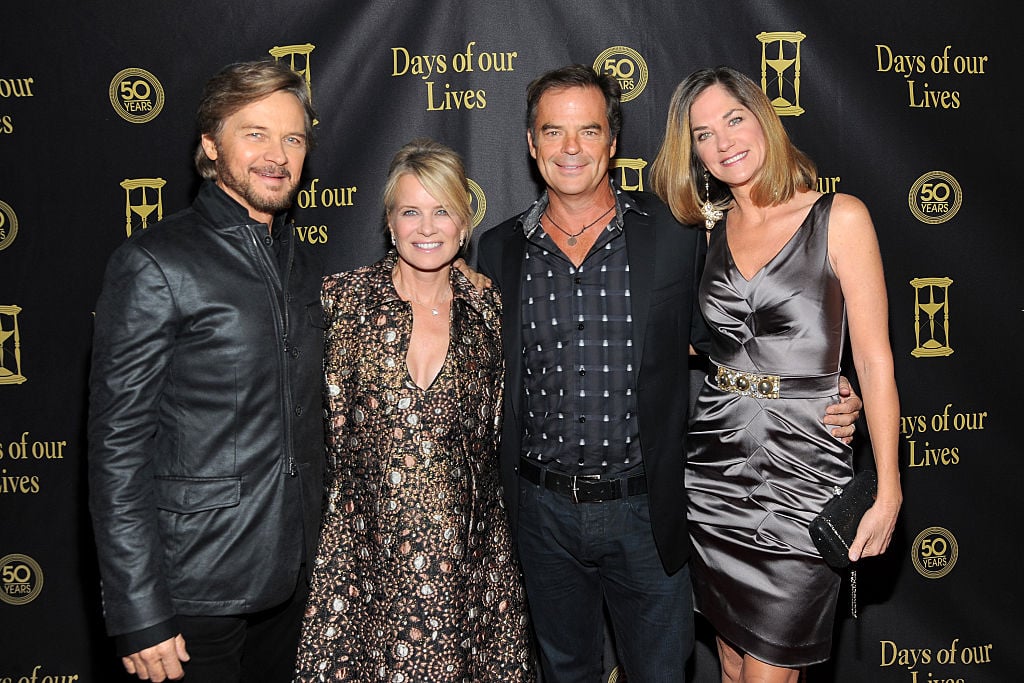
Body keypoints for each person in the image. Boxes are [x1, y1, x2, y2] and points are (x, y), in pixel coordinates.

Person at [476, 64, 863, 683]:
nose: (570, 148)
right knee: (561, 670)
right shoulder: (493, 252)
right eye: (553, 132)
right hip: (540, 513)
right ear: (530, 143)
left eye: (588, 130)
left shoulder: (676, 236)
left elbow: (745, 337)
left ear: (612, 141)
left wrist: (830, 389)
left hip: (650, 511)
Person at [650, 65, 902, 682]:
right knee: (734, 665)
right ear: (693, 152)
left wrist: (889, 485)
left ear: (763, 119)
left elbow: (873, 358)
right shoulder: (702, 233)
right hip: (712, 471)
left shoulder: (839, 216)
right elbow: (676, 340)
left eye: (733, 120)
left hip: (804, 467)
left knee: (770, 672)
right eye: (703, 134)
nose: (723, 141)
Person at [88, 60, 325, 682]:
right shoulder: (154, 263)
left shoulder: (299, 260)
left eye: (293, 138)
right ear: (210, 144)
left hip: (293, 581)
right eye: (255, 133)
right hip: (195, 591)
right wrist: (139, 610)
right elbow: (117, 449)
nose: (278, 155)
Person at [293, 138, 535, 682]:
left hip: (469, 564)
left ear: (464, 223)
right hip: (362, 562)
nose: (427, 227)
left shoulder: (489, 308)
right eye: (411, 211)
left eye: (442, 210)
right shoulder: (341, 301)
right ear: (389, 221)